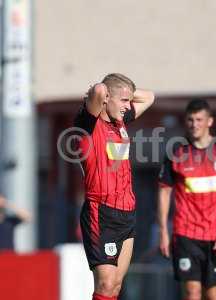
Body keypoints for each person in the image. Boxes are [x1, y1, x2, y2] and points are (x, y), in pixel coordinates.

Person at [74, 73, 154, 300]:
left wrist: (125, 91)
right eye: (124, 101)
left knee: (116, 285)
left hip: (127, 213)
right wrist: (107, 90)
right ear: (107, 99)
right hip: (101, 211)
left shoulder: (120, 123)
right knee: (106, 284)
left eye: (129, 101)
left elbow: (149, 96)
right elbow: (99, 89)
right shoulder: (87, 123)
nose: (128, 106)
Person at [158, 99, 216, 300]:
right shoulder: (175, 154)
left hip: (215, 235)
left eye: (199, 119)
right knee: (192, 292)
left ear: (209, 121)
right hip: (186, 233)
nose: (194, 124)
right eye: (190, 120)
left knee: (213, 295)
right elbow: (164, 193)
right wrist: (163, 233)